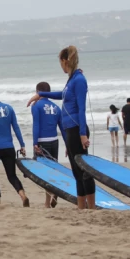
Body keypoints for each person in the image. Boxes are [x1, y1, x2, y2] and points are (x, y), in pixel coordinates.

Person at [28, 45, 95, 210]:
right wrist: (42, 94)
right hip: (70, 130)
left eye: (60, 62)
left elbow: (81, 108)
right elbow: (62, 95)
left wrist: (82, 135)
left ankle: (91, 207)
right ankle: (82, 207)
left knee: (84, 171)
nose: (61, 66)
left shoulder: (79, 80)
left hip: (77, 129)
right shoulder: (71, 79)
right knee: (76, 172)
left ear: (65, 61)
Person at [0, 90, 29, 207]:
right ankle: (23, 195)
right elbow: (16, 128)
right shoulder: (9, 108)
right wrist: (22, 145)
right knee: (12, 175)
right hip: (8, 147)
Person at [31, 81, 65, 208]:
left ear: (38, 92)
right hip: (54, 141)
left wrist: (35, 143)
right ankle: (54, 192)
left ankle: (47, 202)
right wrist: (67, 145)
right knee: (53, 169)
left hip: (42, 142)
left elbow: (36, 125)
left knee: (44, 173)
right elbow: (62, 128)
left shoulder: (36, 106)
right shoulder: (56, 107)